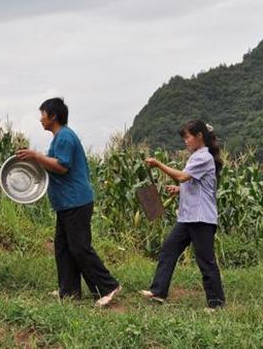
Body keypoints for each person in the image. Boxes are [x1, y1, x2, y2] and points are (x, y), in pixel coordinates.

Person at [16, 98, 121, 307]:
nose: (40, 119)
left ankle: (107, 286)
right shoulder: (59, 137)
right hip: (66, 203)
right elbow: (52, 165)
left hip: (76, 201)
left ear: (53, 116)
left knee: (79, 247)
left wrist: (36, 155)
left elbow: (62, 166)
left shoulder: (64, 136)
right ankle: (69, 291)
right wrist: (35, 159)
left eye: (42, 114)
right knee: (63, 247)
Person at [140, 120, 226, 310]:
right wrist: (179, 190)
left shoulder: (203, 157)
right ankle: (158, 291)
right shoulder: (197, 157)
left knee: (206, 261)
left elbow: (183, 176)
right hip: (188, 218)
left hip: (201, 218)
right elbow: (196, 184)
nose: (185, 141)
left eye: (187, 137)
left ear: (199, 136)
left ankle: (216, 303)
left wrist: (158, 163)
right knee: (168, 250)